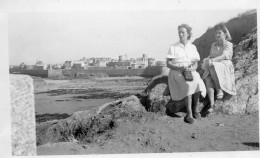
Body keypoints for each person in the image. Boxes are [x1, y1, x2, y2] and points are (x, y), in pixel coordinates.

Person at [166, 24, 206, 124]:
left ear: (188, 34)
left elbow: (196, 64)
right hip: (176, 70)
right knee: (188, 84)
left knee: (197, 81)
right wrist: (178, 67)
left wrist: (192, 69)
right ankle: (189, 113)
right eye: (179, 32)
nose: (180, 34)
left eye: (183, 32)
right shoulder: (173, 47)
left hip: (189, 70)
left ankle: (195, 109)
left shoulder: (192, 47)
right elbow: (168, 63)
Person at [201, 23, 236, 115]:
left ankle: (219, 88)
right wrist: (207, 59)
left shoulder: (229, 44)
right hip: (215, 64)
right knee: (207, 77)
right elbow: (211, 55)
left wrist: (212, 61)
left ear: (225, 34)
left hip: (225, 64)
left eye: (219, 33)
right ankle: (212, 105)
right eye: (216, 33)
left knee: (212, 65)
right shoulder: (213, 45)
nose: (217, 35)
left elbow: (223, 56)